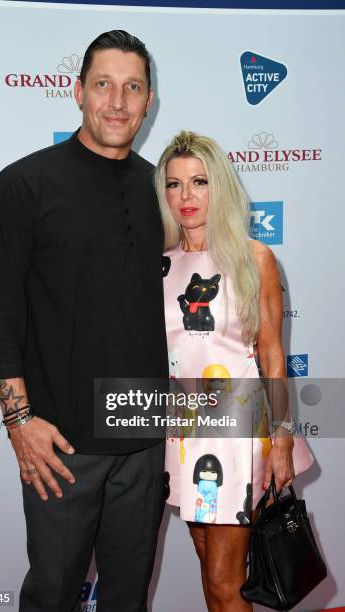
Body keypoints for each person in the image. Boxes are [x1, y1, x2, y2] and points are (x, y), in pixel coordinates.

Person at [0, 31, 168, 612]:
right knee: (53, 595)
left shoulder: (160, 189)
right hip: (59, 445)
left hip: (144, 440)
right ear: (78, 91)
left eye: (132, 87)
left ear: (149, 101)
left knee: (127, 598)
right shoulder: (23, 185)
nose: (117, 101)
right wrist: (19, 422)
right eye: (103, 85)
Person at [154, 131, 314, 611]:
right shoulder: (157, 264)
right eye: (174, 184)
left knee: (225, 583)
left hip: (237, 433)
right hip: (180, 429)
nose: (186, 197)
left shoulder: (254, 257)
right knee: (211, 572)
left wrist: (282, 437)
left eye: (199, 182)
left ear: (219, 186)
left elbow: (271, 354)